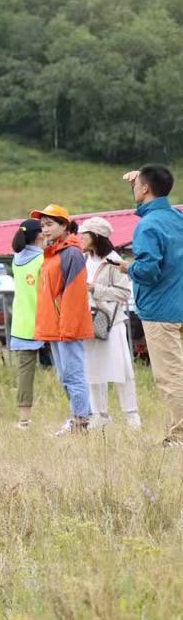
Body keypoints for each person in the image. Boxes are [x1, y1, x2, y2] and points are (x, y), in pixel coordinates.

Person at [122, 165, 183, 446]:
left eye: (137, 185)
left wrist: (127, 267)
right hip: (179, 304)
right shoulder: (176, 218)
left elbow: (148, 270)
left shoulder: (148, 225)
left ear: (145, 188)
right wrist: (143, 179)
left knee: (171, 378)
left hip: (160, 311)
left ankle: (180, 436)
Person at [30, 204, 94, 435]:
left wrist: (68, 327)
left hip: (67, 326)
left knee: (73, 375)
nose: (45, 230)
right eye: (42, 225)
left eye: (50, 224)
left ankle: (81, 422)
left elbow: (75, 295)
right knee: (64, 375)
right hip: (54, 326)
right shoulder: (54, 252)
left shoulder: (72, 253)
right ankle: (79, 417)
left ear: (64, 226)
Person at [79, 216, 140, 429]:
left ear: (95, 236)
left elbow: (123, 293)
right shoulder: (85, 259)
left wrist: (96, 289)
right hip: (89, 321)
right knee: (93, 369)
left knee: (121, 369)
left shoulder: (113, 260)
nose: (81, 238)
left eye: (84, 234)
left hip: (112, 322)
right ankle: (100, 415)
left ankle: (132, 416)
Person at [8, 218, 48, 429]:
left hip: (22, 325)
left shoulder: (15, 260)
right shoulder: (43, 260)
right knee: (67, 369)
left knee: (24, 375)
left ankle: (24, 420)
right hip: (45, 322)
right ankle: (78, 415)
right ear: (40, 235)